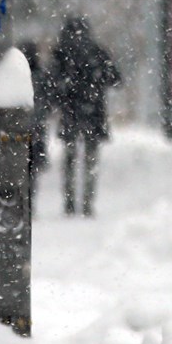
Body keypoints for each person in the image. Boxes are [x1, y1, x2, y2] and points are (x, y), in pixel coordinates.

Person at [49, 16, 121, 217]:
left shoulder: (62, 53)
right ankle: (88, 202)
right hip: (94, 113)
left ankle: (69, 201)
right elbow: (115, 79)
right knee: (90, 159)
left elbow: (52, 84)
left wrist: (59, 97)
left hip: (70, 112)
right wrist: (96, 82)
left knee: (69, 158)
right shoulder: (97, 52)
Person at [19, 41, 51, 215]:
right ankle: (29, 202)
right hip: (36, 128)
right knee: (32, 169)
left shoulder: (14, 76)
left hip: (18, 129)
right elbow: (49, 100)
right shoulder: (42, 75)